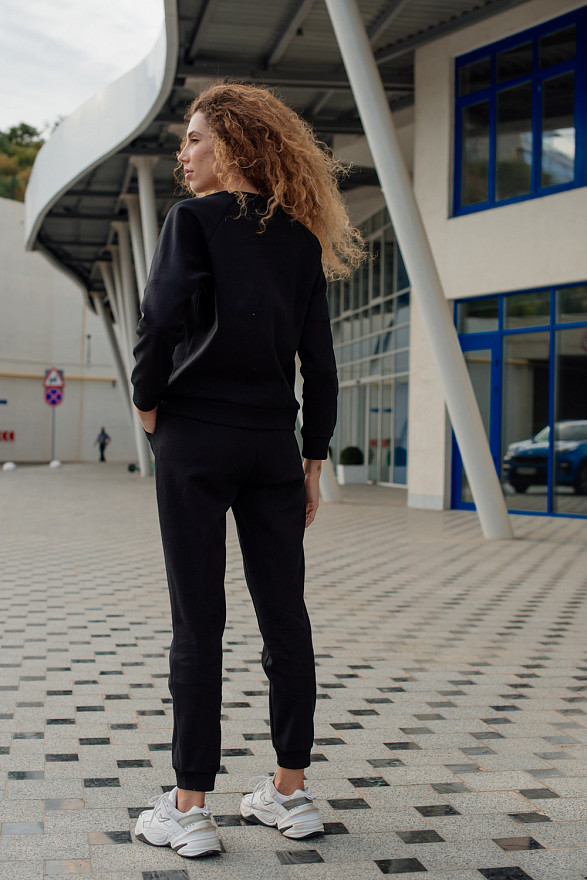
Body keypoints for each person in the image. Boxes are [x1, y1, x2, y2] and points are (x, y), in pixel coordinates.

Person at [131, 82, 364, 860]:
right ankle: (289, 793)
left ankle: (189, 806)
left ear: (231, 144)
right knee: (283, 618)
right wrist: (313, 457)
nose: (184, 155)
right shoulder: (297, 238)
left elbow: (160, 320)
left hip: (196, 439)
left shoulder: (190, 222)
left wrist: (146, 405)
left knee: (199, 620)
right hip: (271, 446)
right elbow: (320, 365)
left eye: (195, 139)